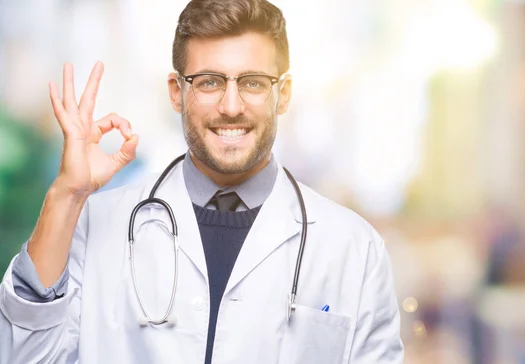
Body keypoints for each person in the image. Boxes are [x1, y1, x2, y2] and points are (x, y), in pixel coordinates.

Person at [0, 1, 404, 363]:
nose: (231, 107)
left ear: (283, 95)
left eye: (253, 83)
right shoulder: (92, 225)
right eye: (209, 81)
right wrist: (65, 195)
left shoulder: (355, 249)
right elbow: (23, 356)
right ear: (177, 93)